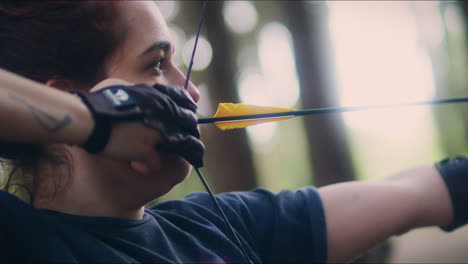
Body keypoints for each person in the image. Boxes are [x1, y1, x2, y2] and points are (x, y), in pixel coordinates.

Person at [0, 1, 466, 263]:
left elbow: (421, 191)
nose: (191, 94)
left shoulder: (226, 226)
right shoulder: (20, 243)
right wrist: (92, 122)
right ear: (67, 96)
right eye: (157, 64)